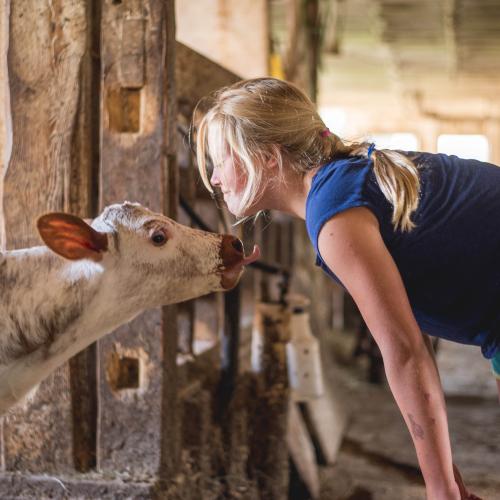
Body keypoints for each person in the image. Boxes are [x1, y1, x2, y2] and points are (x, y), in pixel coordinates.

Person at [194, 77, 496, 500]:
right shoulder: (343, 183)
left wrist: (441, 488)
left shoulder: (334, 213)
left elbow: (406, 354)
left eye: (220, 161)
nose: (214, 177)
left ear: (264, 158)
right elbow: (414, 343)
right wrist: (446, 478)